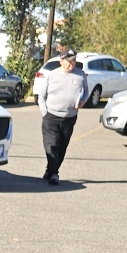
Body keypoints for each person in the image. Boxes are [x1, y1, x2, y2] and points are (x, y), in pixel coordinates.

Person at [31, 49, 88, 185]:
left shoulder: (80, 75)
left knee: (62, 146)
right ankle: (54, 174)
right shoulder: (51, 75)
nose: (71, 64)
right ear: (61, 61)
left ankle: (50, 171)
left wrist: (82, 102)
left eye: (74, 60)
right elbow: (41, 96)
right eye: (69, 61)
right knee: (52, 145)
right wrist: (45, 113)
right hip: (51, 116)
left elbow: (86, 92)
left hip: (69, 117)